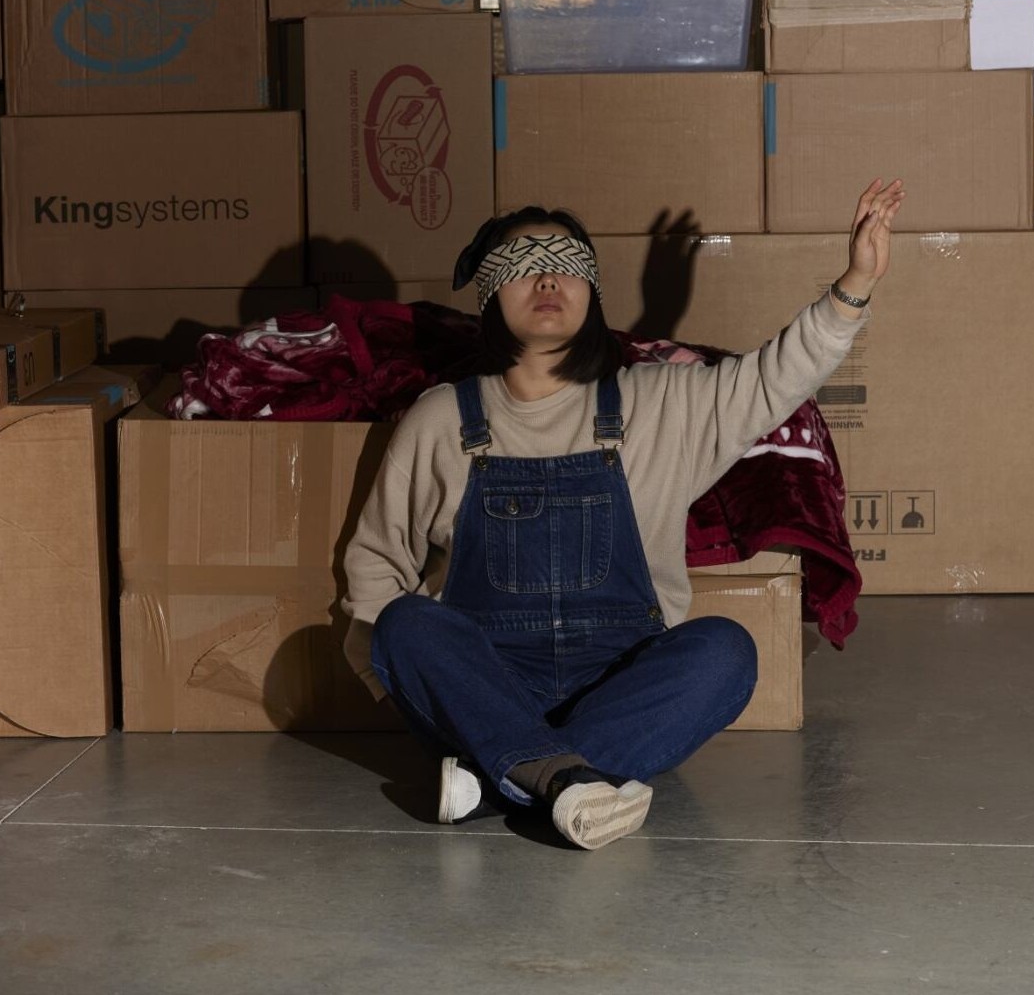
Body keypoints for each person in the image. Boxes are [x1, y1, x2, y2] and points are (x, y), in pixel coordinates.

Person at [342, 178, 905, 850]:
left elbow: (771, 379)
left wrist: (855, 283)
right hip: (484, 685)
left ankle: (503, 778)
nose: (548, 276)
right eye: (524, 264)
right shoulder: (440, 419)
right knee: (404, 625)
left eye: (568, 263)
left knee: (727, 651)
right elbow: (377, 567)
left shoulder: (661, 404)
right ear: (491, 292)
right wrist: (407, 690)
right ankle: (568, 777)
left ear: (591, 292)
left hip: (621, 679)